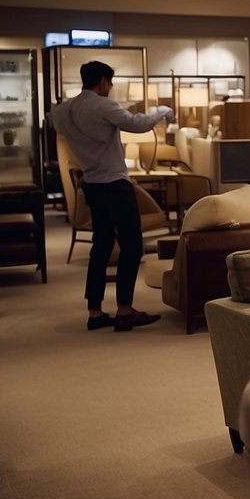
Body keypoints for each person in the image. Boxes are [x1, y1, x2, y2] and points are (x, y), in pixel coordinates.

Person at [52, 61, 175, 331]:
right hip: (115, 184)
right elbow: (139, 124)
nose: (110, 86)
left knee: (102, 245)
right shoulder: (103, 105)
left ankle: (95, 312)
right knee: (132, 245)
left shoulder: (64, 111)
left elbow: (63, 128)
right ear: (103, 81)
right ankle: (124, 310)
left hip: (92, 185)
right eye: (110, 81)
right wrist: (163, 110)